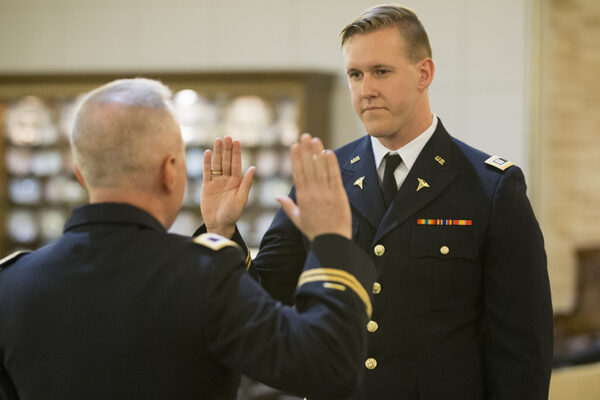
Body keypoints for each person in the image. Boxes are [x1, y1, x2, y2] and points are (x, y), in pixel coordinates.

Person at [200, 4, 554, 400]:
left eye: (381, 72)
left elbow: (522, 350)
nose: (365, 89)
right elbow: (263, 308)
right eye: (355, 74)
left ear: (424, 74)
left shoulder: (491, 188)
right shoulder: (323, 178)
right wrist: (221, 231)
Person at [0, 78, 376, 400]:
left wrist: (219, 233)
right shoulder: (204, 275)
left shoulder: (10, 282)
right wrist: (331, 242)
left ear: (81, 175)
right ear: (170, 171)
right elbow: (327, 366)